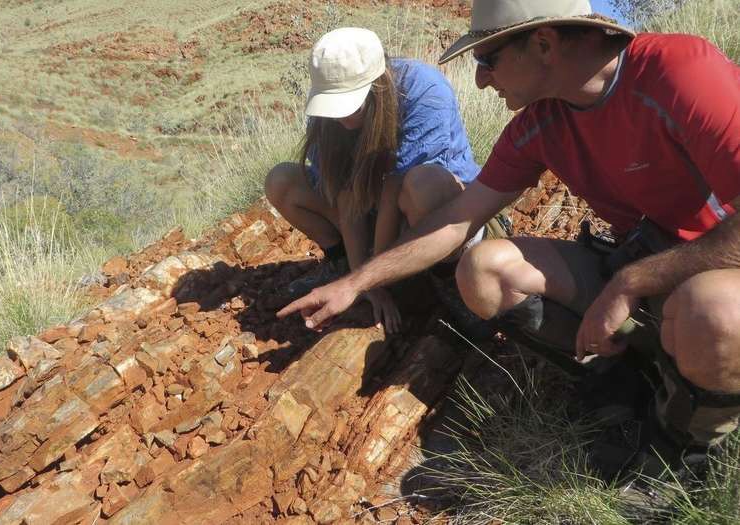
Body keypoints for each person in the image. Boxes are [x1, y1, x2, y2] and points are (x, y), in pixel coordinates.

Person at [279, 0, 740, 477]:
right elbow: (458, 220)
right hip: (642, 270)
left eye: (488, 60)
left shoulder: (679, 70)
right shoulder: (539, 124)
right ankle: (624, 382)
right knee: (485, 270)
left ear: (542, 44)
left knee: (714, 309)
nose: (480, 79)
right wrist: (355, 282)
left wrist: (629, 283)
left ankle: (682, 452)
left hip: (715, 276)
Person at [265, 27, 482, 334]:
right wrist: (360, 279)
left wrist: (372, 277)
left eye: (350, 105)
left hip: (432, 214)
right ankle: (339, 261)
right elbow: (346, 195)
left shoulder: (424, 91)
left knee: (422, 185)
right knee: (281, 181)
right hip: (373, 212)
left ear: (376, 85)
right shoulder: (325, 119)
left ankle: (448, 276)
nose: (341, 119)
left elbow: (395, 189)